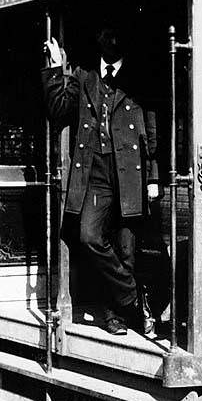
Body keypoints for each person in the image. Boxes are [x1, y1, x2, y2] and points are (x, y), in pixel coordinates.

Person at [42, 28, 158, 336]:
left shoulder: (139, 76)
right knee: (89, 236)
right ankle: (136, 297)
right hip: (94, 171)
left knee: (127, 250)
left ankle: (114, 316)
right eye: (105, 36)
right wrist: (55, 68)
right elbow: (58, 110)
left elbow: (151, 132)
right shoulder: (84, 76)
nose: (110, 41)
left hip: (131, 173)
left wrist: (154, 177)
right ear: (99, 42)